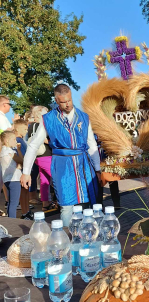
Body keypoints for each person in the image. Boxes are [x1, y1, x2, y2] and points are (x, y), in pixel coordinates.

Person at [21, 84, 101, 226]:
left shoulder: (84, 117)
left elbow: (92, 144)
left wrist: (98, 169)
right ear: (56, 100)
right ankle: (66, 239)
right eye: (63, 102)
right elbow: (33, 145)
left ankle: (87, 238)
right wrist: (26, 172)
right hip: (62, 165)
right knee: (66, 205)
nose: (68, 104)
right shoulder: (48, 119)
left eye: (69, 100)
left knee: (86, 203)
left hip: (83, 163)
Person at [28, 106, 57, 211]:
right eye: (46, 112)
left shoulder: (31, 126)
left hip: (38, 157)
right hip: (46, 155)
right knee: (56, 178)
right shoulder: (41, 125)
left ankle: (46, 204)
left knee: (44, 180)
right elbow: (44, 140)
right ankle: (61, 202)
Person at [0, 131, 23, 218]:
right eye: (13, 139)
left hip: (7, 179)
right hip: (14, 179)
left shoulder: (3, 151)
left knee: (11, 202)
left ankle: (10, 218)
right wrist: (19, 151)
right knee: (14, 203)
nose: (15, 141)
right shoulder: (9, 151)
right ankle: (12, 220)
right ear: (7, 140)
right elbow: (21, 160)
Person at [13, 119, 33, 220]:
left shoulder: (22, 140)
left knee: (25, 192)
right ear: (17, 128)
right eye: (24, 129)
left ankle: (26, 211)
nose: (26, 131)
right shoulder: (16, 141)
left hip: (26, 169)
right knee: (22, 192)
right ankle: (24, 212)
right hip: (21, 170)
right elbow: (16, 156)